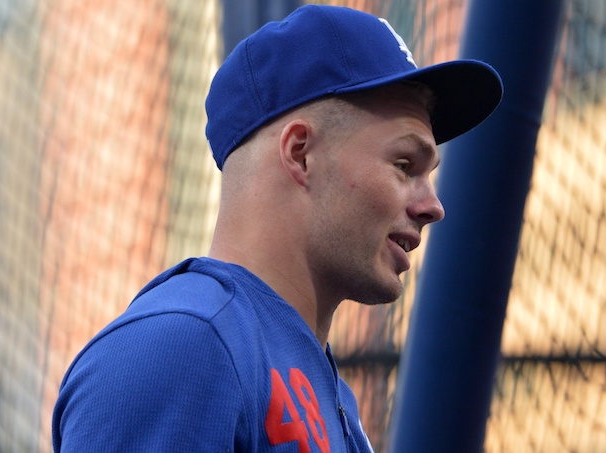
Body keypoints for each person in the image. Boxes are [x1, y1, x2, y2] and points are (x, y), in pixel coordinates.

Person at [52, 4, 502, 452]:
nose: (432, 206)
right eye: (404, 165)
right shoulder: (182, 346)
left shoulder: (317, 382)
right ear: (301, 153)